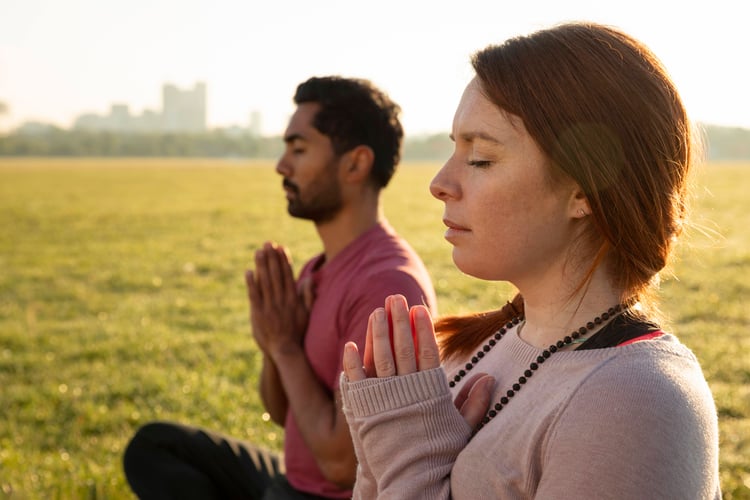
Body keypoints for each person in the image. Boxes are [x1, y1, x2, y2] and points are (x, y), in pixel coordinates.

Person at [340, 22, 721, 499]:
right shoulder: (464, 350)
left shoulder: (635, 400)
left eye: (480, 158)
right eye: (452, 149)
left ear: (586, 188)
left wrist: (410, 458)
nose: (440, 182)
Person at [123, 76, 437, 499]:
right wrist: (272, 346)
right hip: (291, 479)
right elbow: (279, 411)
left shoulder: (386, 286)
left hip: (327, 496)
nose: (281, 166)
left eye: (299, 149)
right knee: (155, 447)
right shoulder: (316, 269)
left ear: (355, 164)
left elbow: (343, 466)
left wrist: (286, 346)